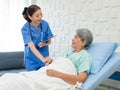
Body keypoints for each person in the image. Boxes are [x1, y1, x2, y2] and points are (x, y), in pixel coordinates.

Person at [0, 28, 93, 90]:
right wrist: (52, 60)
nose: (72, 39)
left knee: (21, 84)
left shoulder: (84, 56)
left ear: (83, 42)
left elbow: (81, 79)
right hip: (44, 72)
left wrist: (57, 74)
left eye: (76, 37)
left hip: (56, 77)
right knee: (11, 78)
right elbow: (59, 62)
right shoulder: (68, 52)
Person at [21, 4, 54, 71]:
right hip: (31, 60)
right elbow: (31, 46)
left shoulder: (45, 24)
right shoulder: (25, 29)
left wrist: (44, 44)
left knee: (43, 79)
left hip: (44, 56)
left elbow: (49, 41)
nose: (40, 17)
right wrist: (43, 59)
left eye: (41, 14)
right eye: (37, 16)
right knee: (32, 80)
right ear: (30, 17)